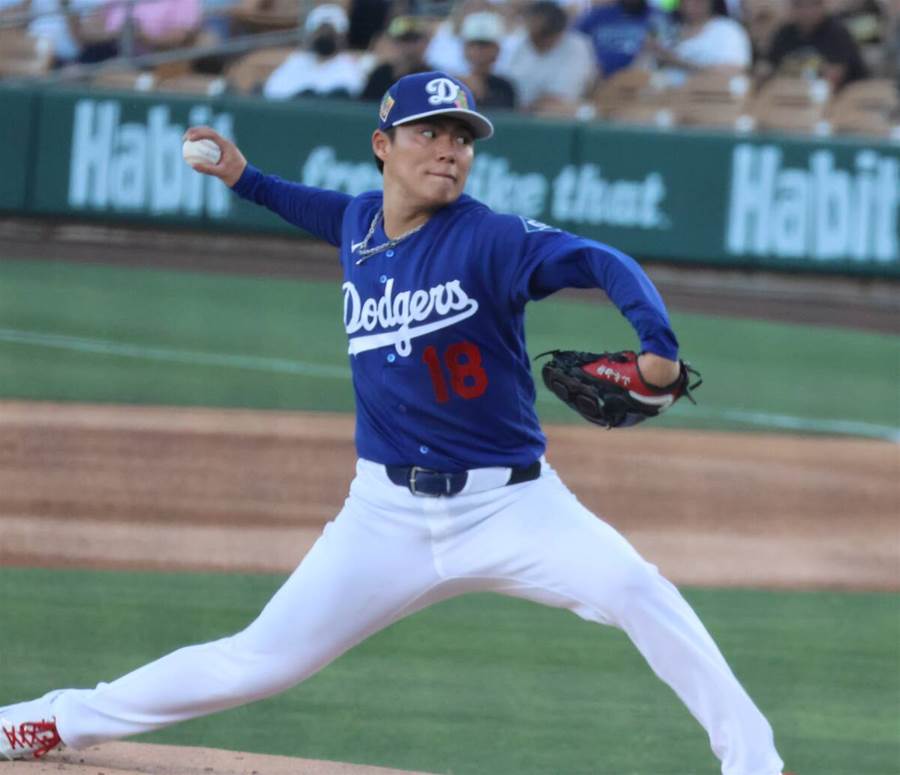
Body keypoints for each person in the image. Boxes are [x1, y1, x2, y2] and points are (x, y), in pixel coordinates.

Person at [0, 70, 791, 775]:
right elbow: (306, 205)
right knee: (255, 661)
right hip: (382, 517)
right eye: (429, 133)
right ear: (383, 145)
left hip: (513, 505)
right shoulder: (359, 224)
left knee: (636, 588)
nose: (449, 149)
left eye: (462, 137)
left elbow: (599, 261)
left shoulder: (490, 237)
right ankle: (45, 720)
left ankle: (755, 764)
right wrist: (243, 176)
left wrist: (658, 348)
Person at [498, 0, 597, 111]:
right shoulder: (516, 43)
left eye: (543, 34)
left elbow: (560, 99)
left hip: (557, 116)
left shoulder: (578, 46)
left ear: (559, 33)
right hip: (513, 111)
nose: (535, 37)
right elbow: (502, 86)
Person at [757, 0, 868, 90]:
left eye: (812, 5)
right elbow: (766, 67)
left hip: (839, 98)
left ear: (822, 6)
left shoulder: (837, 33)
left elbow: (834, 78)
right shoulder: (784, 33)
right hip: (791, 95)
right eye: (799, 5)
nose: (806, 12)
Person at [263, 4, 366, 100]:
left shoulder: (349, 66)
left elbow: (350, 94)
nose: (325, 36)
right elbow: (272, 92)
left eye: (330, 33)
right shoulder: (296, 61)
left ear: (342, 36)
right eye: (320, 31)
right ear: (311, 34)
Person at [641, 0, 753, 87]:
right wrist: (649, 52)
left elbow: (734, 73)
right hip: (662, 101)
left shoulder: (728, 30)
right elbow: (640, 73)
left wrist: (679, 62)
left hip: (712, 102)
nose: (691, 3)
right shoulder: (667, 31)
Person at [575, 0, 670, 79]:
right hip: (596, 79)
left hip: (643, 79)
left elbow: (668, 50)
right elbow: (572, 40)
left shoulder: (658, 16)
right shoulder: (597, 15)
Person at [360, 15, 431, 100]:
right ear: (393, 43)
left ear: (424, 43)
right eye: (403, 40)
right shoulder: (381, 74)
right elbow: (365, 104)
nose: (408, 46)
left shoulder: (430, 78)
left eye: (413, 40)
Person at [457, 10, 517, 109]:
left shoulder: (505, 87)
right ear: (464, 49)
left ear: (497, 49)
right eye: (472, 45)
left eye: (484, 45)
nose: (477, 51)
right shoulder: (453, 85)